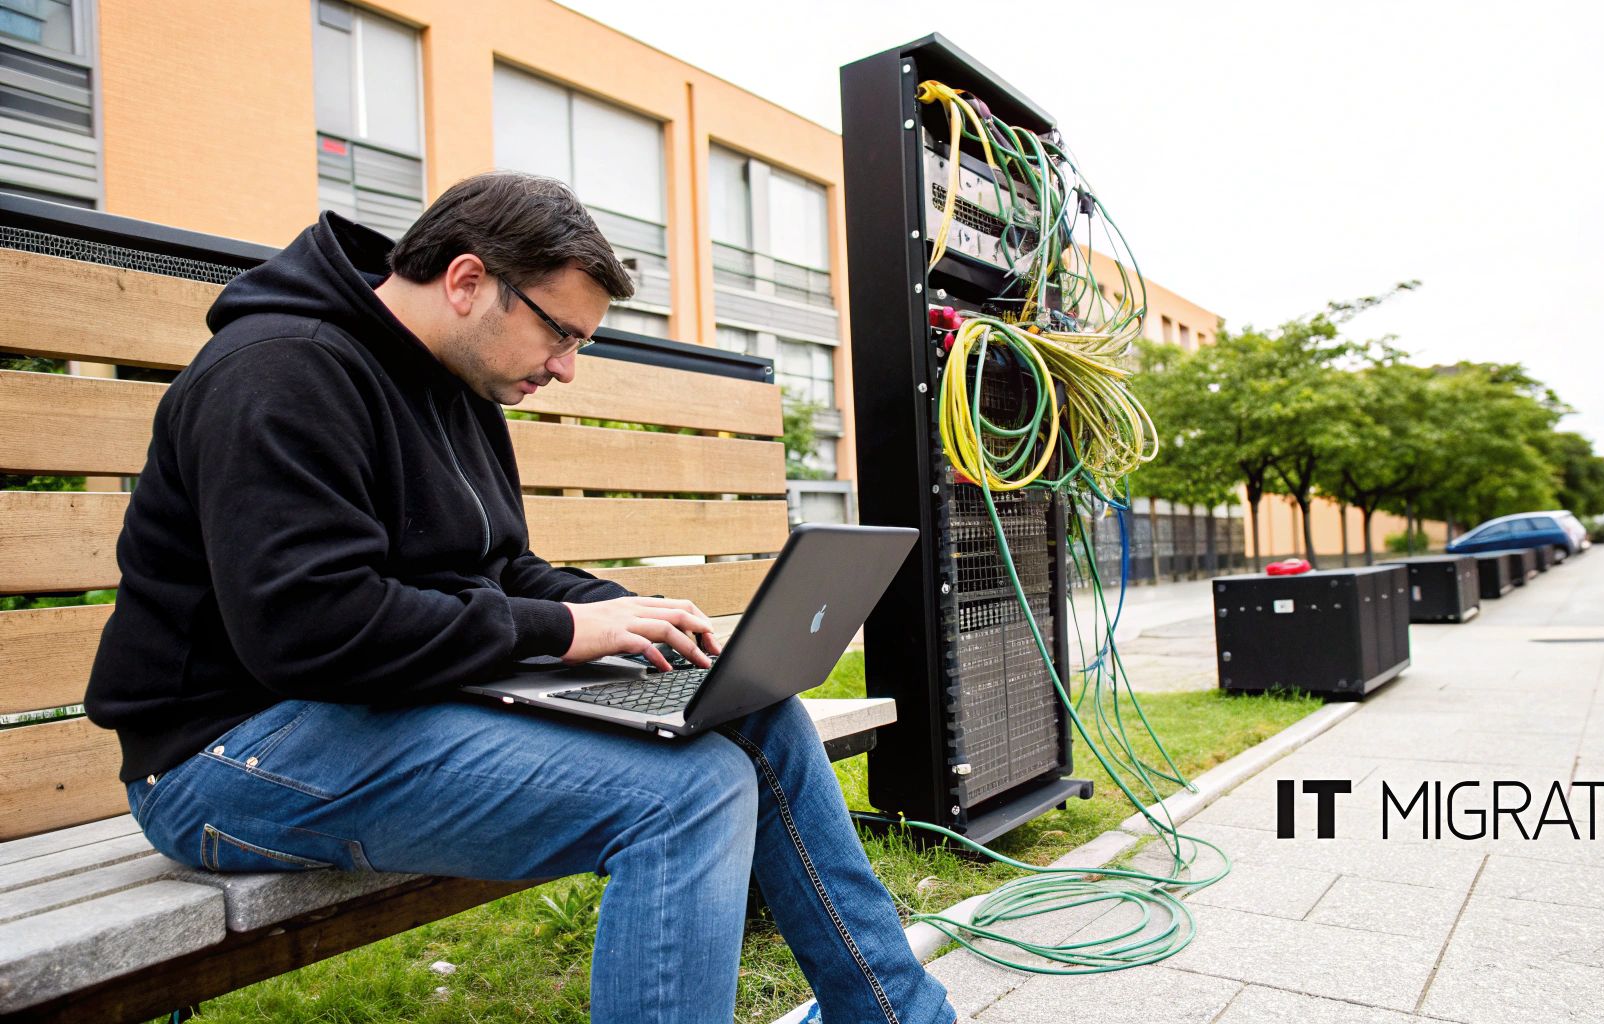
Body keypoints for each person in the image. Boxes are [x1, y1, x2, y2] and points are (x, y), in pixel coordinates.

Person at [84, 171, 956, 1024]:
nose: (568, 368)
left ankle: (898, 1015)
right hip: (228, 753)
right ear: (468, 281)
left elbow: (500, 569)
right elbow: (309, 629)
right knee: (685, 796)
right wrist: (567, 629)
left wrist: (627, 614)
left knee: (762, 719)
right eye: (561, 335)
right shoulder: (279, 374)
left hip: (369, 706)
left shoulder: (456, 385)